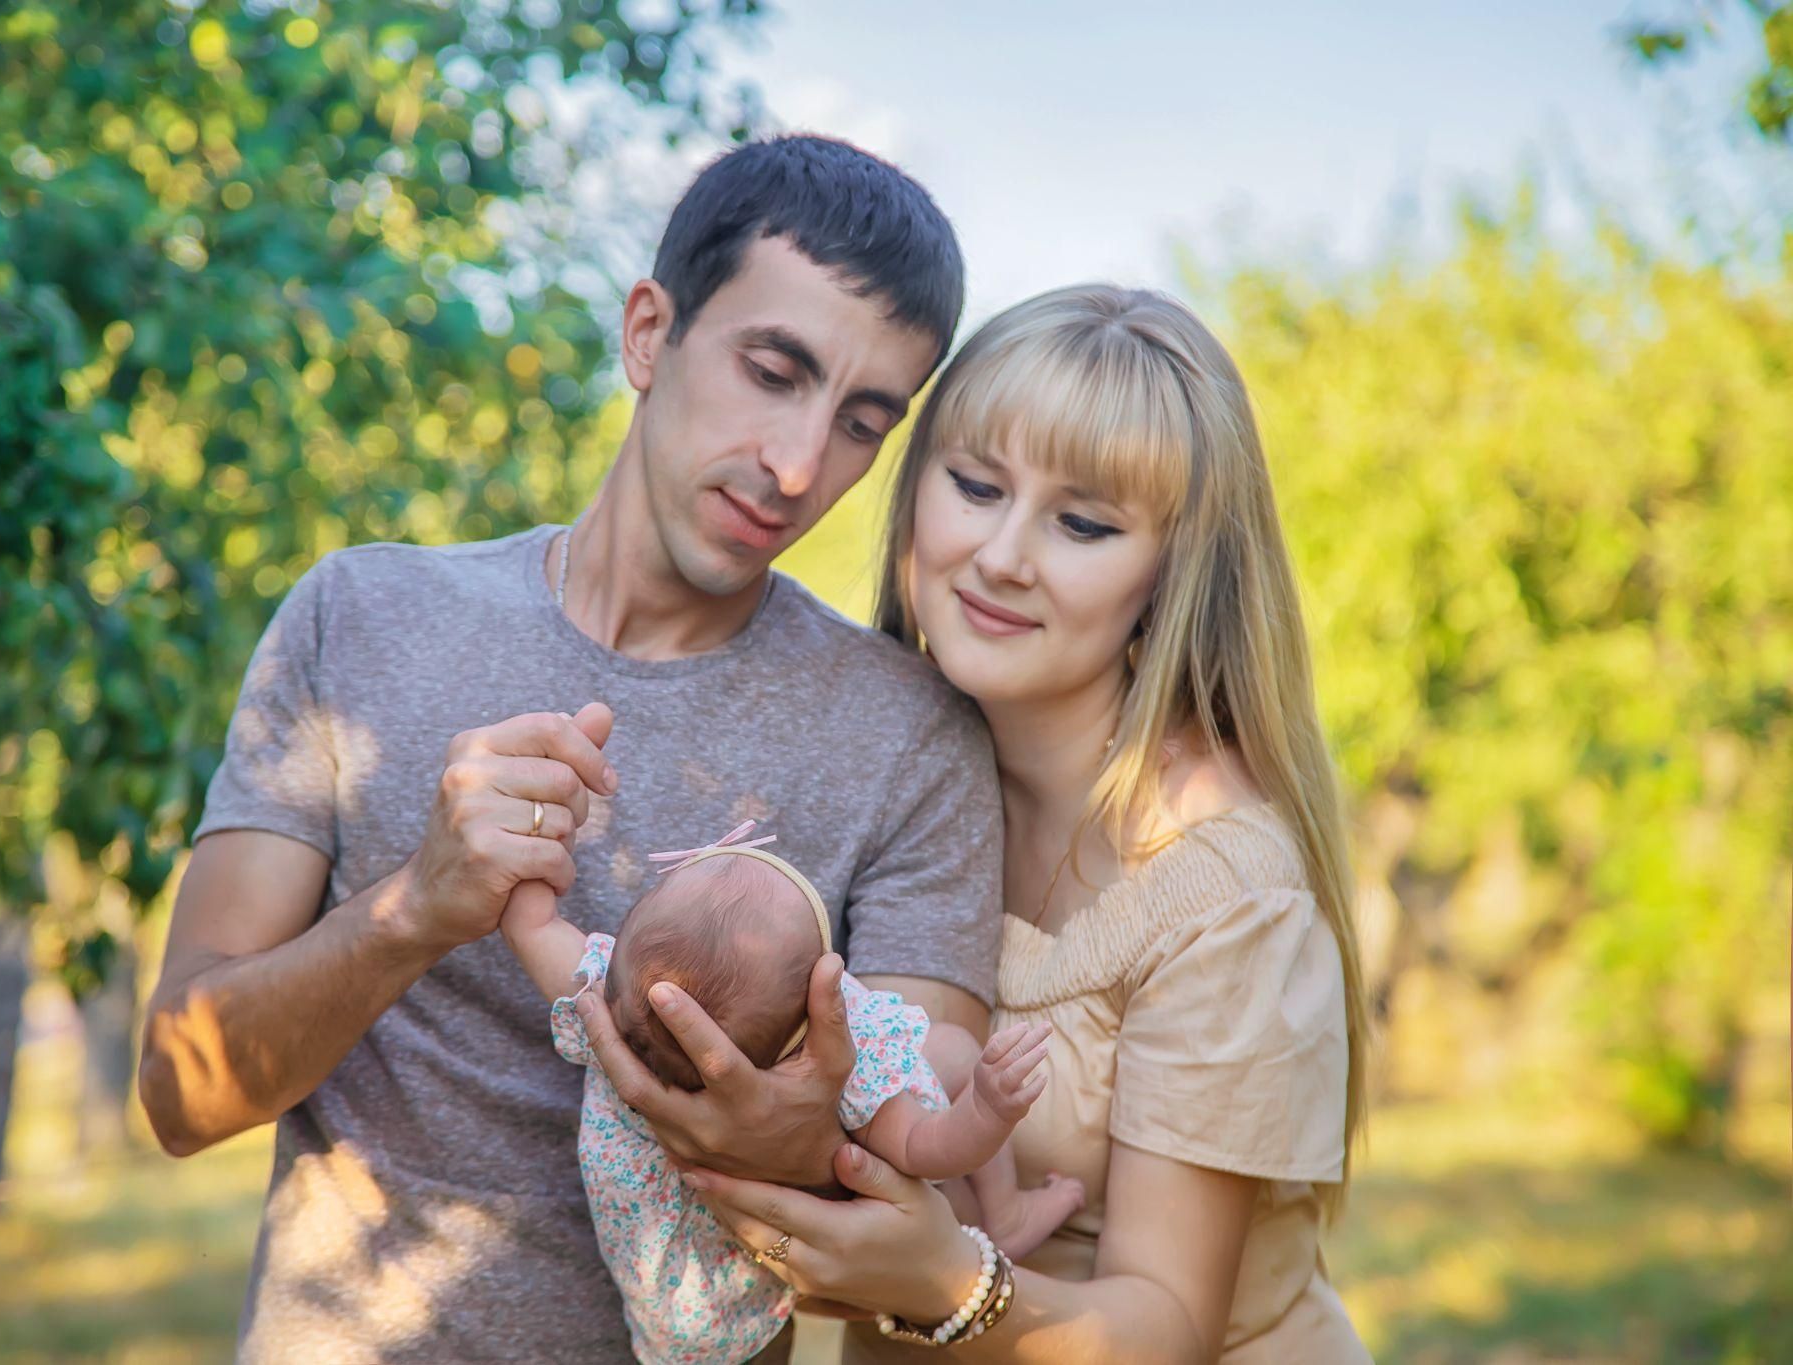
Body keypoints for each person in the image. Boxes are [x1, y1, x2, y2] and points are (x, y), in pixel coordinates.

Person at [135, 135, 1004, 1362]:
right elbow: (181, 1093)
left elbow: (913, 1207)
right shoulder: (359, 618)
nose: (801, 465)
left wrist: (785, 1130)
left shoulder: (909, 737)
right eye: (771, 369)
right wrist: (415, 909)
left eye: (861, 422)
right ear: (649, 332)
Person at [591, 285, 1376, 1362]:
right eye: (974, 485)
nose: (1003, 555)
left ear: (1171, 575)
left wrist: (944, 1280)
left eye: (1082, 523)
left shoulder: (1224, 883)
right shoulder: (871, 781)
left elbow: (1171, 1327)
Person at [500, 820, 1076, 1363]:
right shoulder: (840, 1069)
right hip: (757, 1267)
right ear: (812, 1014)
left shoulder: (602, 1004)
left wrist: (532, 834)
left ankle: (1002, 1214)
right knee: (954, 1054)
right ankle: (1004, 1213)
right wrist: (989, 1108)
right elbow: (926, 1148)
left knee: (947, 1048)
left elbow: (532, 925)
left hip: (682, 1301)